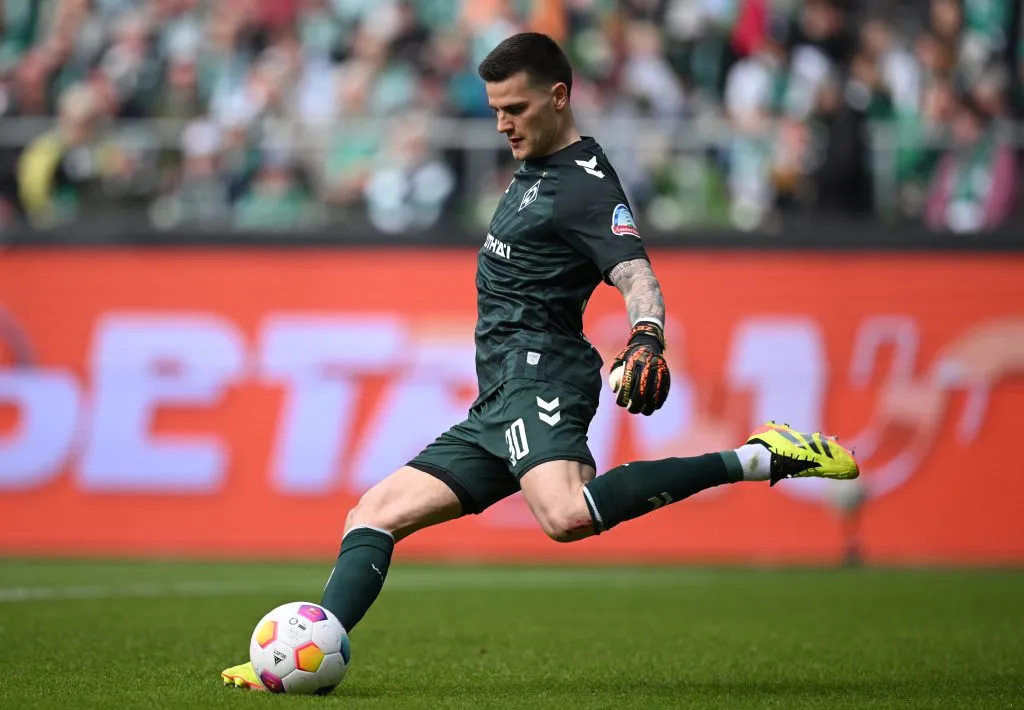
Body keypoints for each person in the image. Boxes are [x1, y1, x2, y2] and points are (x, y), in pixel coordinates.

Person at [221, 32, 859, 690]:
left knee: (564, 515)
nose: (502, 124)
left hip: (542, 373)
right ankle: (291, 657)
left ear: (559, 97)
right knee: (373, 513)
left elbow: (637, 272)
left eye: (516, 109)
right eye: (496, 110)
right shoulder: (535, 170)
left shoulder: (585, 185)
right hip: (498, 394)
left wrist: (647, 334)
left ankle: (758, 456)